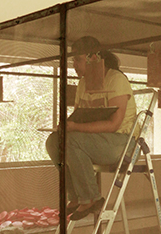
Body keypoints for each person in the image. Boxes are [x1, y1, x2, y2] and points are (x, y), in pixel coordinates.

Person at [46, 36, 137, 220]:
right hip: (93, 140)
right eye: (73, 61)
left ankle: (91, 199)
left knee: (71, 140)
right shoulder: (83, 83)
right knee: (53, 142)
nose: (74, 65)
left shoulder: (116, 79)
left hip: (121, 142)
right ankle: (77, 197)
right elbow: (78, 117)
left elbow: (113, 125)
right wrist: (67, 127)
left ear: (93, 58)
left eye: (78, 60)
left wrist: (75, 127)